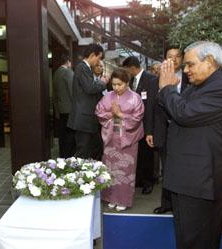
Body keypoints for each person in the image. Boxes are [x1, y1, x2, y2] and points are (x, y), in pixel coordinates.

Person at [158, 41, 222, 249]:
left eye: (190, 64)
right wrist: (168, 92)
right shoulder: (201, 86)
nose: (185, 70)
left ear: (209, 61)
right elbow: (175, 112)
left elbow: (183, 114)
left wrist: (167, 88)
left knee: (197, 241)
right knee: (191, 238)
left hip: (201, 182)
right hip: (189, 179)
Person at [95, 68, 144, 211]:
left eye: (120, 84)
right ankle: (111, 197)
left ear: (127, 83)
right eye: (114, 84)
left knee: (126, 169)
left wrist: (120, 114)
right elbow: (99, 111)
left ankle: (123, 199)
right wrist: (112, 113)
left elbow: (137, 117)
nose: (116, 88)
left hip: (128, 138)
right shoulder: (107, 96)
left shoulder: (135, 98)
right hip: (111, 136)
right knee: (110, 167)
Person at [151, 47, 189, 214]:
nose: (173, 60)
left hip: (186, 131)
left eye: (177, 56)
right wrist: (149, 132)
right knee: (167, 169)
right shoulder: (156, 80)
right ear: (165, 59)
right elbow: (151, 108)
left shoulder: (192, 78)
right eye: (170, 57)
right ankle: (167, 204)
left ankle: (183, 206)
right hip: (164, 130)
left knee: (185, 168)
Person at [122, 56, 158, 194]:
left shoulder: (151, 79)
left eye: (126, 69)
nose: (127, 72)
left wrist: (150, 129)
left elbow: (151, 105)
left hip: (146, 123)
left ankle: (148, 182)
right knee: (138, 154)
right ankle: (139, 180)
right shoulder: (131, 81)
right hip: (133, 125)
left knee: (147, 155)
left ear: (132, 67)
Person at [67, 43, 108, 160]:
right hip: (83, 119)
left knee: (91, 148)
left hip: (86, 118)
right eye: (99, 58)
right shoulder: (82, 67)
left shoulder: (85, 68)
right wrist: (103, 82)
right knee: (83, 151)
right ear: (92, 55)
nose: (98, 62)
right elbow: (90, 87)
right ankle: (78, 175)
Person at [52, 55, 75, 158]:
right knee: (71, 135)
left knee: (63, 135)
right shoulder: (68, 72)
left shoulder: (56, 73)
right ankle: (69, 157)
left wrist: (57, 110)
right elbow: (72, 91)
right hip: (70, 109)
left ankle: (63, 155)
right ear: (68, 62)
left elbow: (54, 94)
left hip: (61, 110)